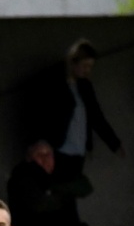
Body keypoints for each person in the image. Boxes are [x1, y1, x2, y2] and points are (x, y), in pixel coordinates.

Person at [28, 39, 124, 178]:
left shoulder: (84, 87)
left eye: (90, 67)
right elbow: (40, 114)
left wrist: (114, 143)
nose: (87, 71)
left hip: (78, 151)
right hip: (58, 150)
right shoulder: (54, 83)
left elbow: (96, 116)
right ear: (73, 62)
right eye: (84, 66)